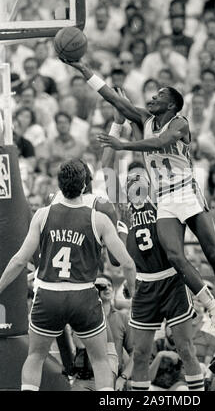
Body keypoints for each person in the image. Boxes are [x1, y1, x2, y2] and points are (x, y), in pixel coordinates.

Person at [61, 58, 215, 350]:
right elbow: (111, 97)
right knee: (174, 254)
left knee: (213, 254)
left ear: (171, 105)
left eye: (159, 96)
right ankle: (213, 308)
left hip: (187, 191)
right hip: (166, 199)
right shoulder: (142, 121)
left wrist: (124, 145)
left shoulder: (179, 123)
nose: (152, 97)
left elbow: (159, 144)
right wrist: (83, 69)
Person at [0, 159, 136, 391]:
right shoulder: (99, 218)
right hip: (82, 295)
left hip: (49, 294)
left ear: (59, 185)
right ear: (85, 186)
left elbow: (19, 260)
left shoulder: (42, 215)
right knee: (101, 361)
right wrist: (133, 291)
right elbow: (126, 263)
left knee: (34, 357)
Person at [100, 112, 207, 392]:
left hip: (171, 280)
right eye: (130, 180)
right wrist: (117, 123)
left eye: (139, 177)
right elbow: (107, 164)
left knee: (185, 349)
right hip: (145, 285)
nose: (134, 182)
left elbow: (159, 152)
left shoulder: (163, 197)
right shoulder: (122, 207)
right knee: (139, 354)